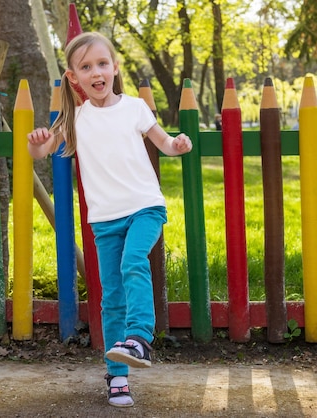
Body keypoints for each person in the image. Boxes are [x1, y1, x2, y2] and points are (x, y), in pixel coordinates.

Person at [27, 31, 193, 408]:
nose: (96, 72)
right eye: (86, 67)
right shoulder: (76, 119)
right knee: (111, 297)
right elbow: (41, 152)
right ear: (74, 77)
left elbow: (163, 142)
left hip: (145, 207)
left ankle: (139, 337)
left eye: (102, 64)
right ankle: (117, 377)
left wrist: (177, 145)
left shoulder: (135, 108)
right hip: (104, 221)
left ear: (115, 68)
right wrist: (37, 140)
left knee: (134, 262)